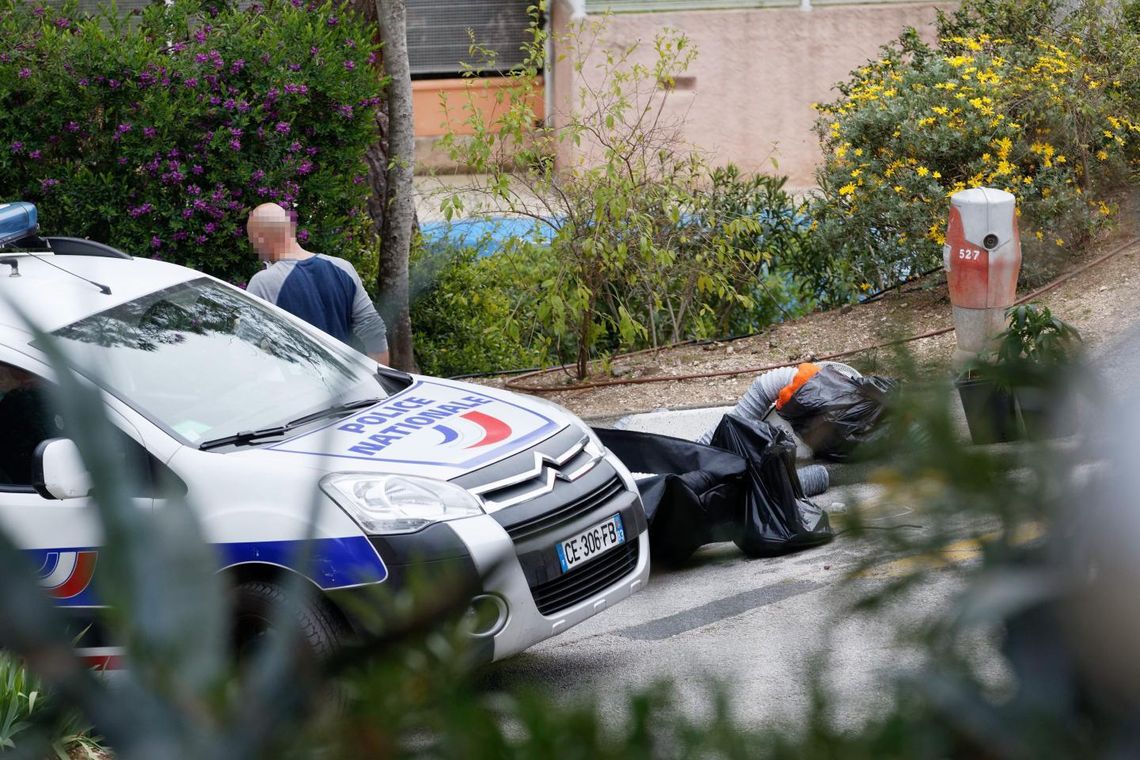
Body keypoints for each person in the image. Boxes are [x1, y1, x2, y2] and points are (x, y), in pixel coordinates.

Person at [245, 203, 389, 365]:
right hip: (350, 384)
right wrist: (379, 382)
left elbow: (247, 347)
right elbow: (374, 332)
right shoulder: (343, 268)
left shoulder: (263, 283)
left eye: (253, 242)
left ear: (261, 238)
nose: (255, 249)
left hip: (303, 388)